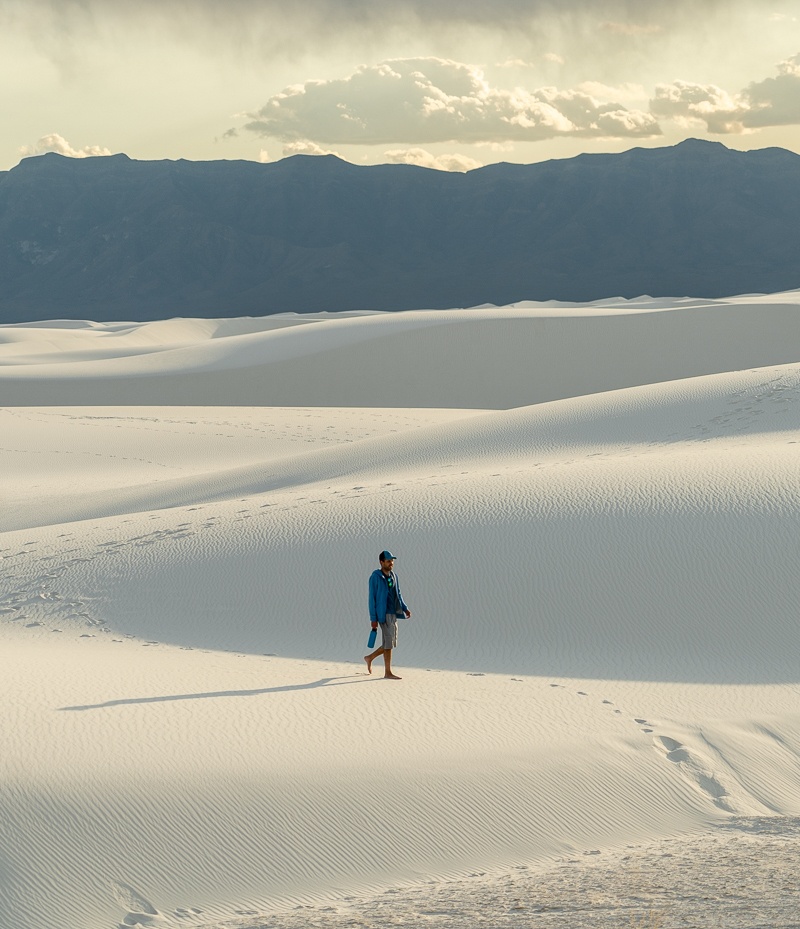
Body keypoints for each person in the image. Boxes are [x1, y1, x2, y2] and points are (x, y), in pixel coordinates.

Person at [365, 550, 411, 679]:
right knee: (389, 643)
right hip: (382, 613)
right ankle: (388, 672)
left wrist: (405, 608)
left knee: (390, 642)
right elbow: (371, 598)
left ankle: (369, 658)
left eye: (392, 561)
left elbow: (399, 594)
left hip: (393, 613)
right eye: (388, 561)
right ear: (381, 562)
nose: (391, 563)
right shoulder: (375, 577)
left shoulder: (394, 576)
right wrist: (373, 618)